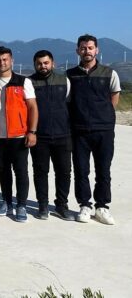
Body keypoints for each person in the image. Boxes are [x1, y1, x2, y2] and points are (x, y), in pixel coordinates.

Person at [67, 34, 121, 225]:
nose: (87, 51)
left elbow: (114, 97)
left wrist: (104, 116)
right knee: (81, 170)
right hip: (79, 130)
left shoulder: (109, 73)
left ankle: (102, 207)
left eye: (90, 48)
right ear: (77, 51)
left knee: (103, 170)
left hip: (104, 130)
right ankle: (84, 205)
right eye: (83, 48)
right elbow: (68, 100)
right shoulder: (70, 75)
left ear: (97, 50)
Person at [0, 46, 38, 223]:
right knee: (3, 171)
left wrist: (32, 131)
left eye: (5, 59)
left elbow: (33, 107)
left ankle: (21, 205)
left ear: (12, 61)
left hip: (19, 136)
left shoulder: (23, 82)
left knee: (21, 171)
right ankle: (6, 202)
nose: (2, 63)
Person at [29, 50, 73, 221]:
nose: (43, 66)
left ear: (53, 63)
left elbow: (69, 103)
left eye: (46, 63)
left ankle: (61, 205)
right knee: (40, 172)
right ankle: (43, 205)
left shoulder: (64, 80)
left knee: (64, 172)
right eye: (39, 63)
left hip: (63, 135)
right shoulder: (29, 82)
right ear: (35, 65)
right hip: (40, 136)